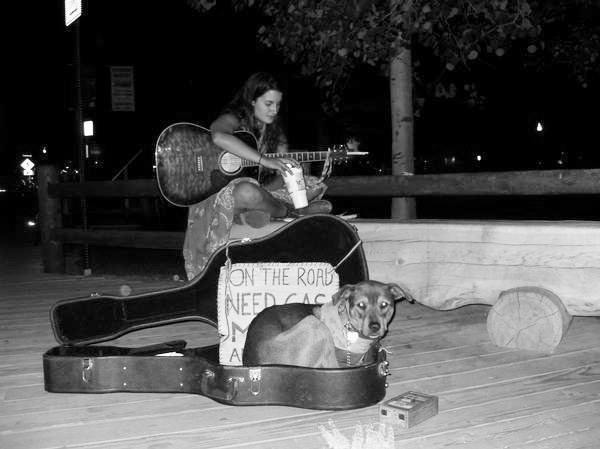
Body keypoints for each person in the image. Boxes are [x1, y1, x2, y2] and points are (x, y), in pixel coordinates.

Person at [183, 72, 332, 280]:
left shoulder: (275, 131)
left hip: (262, 190)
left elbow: (275, 177)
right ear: (252, 100)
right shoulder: (233, 118)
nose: (275, 110)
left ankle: (259, 212)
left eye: (278, 104)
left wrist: (288, 169)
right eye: (269, 103)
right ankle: (291, 212)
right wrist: (263, 160)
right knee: (246, 191)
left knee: (308, 181)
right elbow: (218, 135)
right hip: (219, 192)